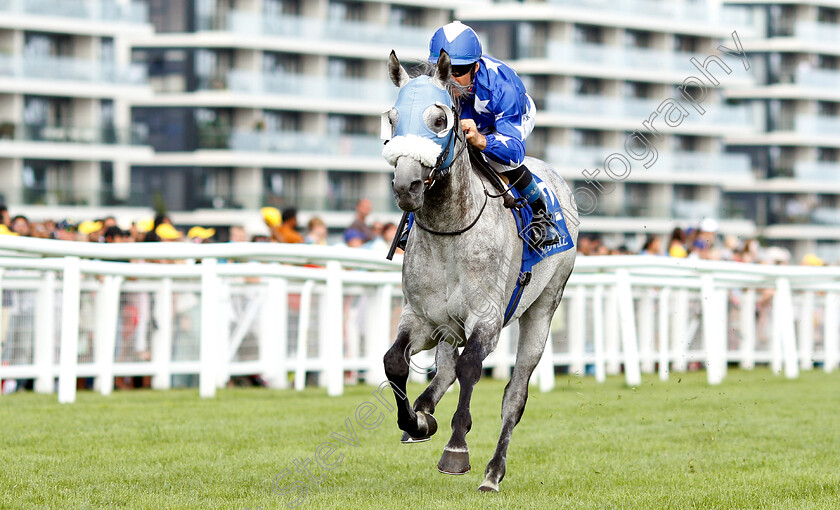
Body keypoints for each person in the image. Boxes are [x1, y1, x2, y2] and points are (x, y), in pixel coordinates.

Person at [425, 20, 560, 249]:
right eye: (444, 69)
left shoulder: (503, 86)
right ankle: (411, 224)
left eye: (458, 71)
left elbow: (515, 152)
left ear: (475, 67)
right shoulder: (433, 83)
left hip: (508, 118)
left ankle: (541, 215)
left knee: (498, 161)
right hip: (468, 116)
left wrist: (481, 140)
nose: (450, 78)